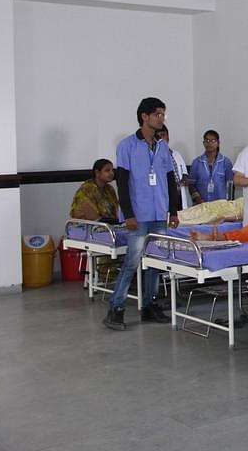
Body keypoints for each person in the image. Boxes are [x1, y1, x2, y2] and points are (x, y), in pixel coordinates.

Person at [103, 97, 179, 331]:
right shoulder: (127, 146)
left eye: (163, 114)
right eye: (157, 114)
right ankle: (115, 308)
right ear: (144, 117)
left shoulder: (163, 146)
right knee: (131, 263)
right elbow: (122, 182)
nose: (161, 118)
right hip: (139, 213)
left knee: (155, 261)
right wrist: (128, 214)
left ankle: (149, 305)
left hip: (159, 213)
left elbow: (170, 179)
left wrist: (173, 211)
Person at [189, 129, 234, 205]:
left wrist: (229, 204)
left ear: (218, 143)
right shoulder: (196, 162)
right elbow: (191, 184)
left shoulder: (226, 162)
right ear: (203, 143)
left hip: (221, 205)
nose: (209, 143)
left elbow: (230, 185)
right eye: (207, 141)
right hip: (201, 205)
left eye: (213, 141)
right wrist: (198, 199)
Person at [70, 158, 120, 223]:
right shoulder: (87, 189)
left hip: (108, 225)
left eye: (112, 170)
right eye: (107, 170)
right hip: (87, 225)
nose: (111, 173)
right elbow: (92, 216)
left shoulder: (110, 189)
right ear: (97, 173)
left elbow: (116, 211)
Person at [158, 126, 191, 210]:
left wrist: (184, 179)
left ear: (168, 137)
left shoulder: (176, 154)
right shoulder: (154, 157)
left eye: (163, 135)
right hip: (165, 196)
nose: (161, 139)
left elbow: (184, 174)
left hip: (179, 195)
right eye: (158, 137)